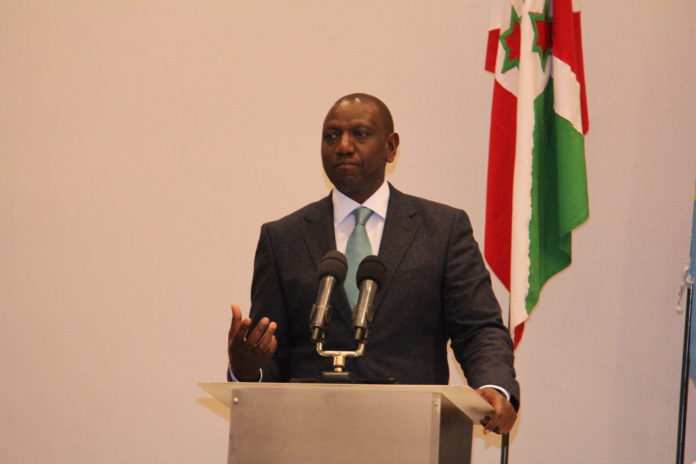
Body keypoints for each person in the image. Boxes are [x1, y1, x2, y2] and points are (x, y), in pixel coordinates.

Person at [227, 93, 519, 434]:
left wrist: (494, 386)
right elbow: (269, 350)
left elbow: (478, 328)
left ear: (391, 147)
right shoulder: (282, 238)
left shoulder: (443, 229)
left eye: (360, 134)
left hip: (413, 432)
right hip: (307, 434)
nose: (343, 146)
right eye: (331, 136)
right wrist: (246, 369)